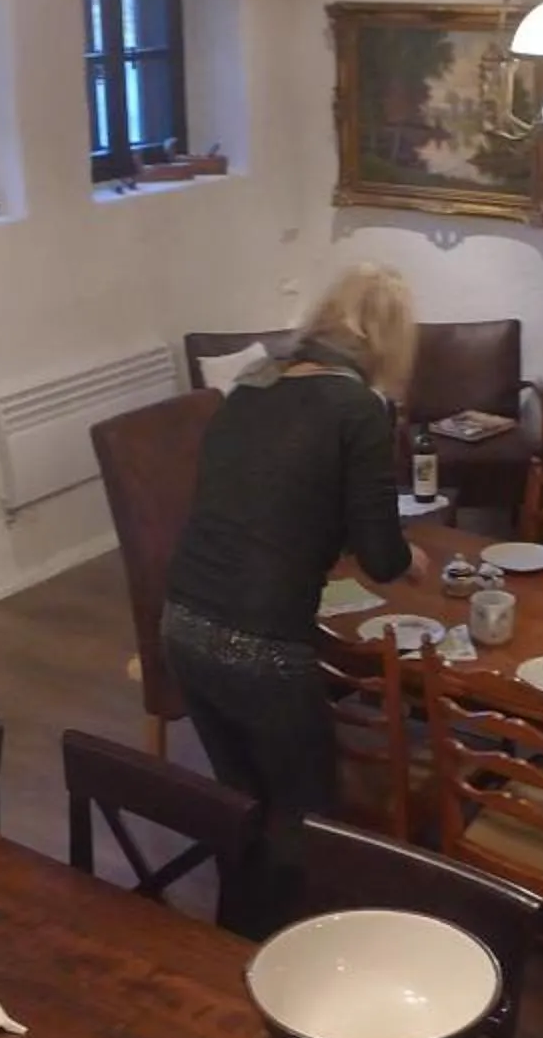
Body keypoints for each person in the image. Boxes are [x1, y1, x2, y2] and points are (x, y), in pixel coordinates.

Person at [162, 265, 417, 929]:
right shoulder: (359, 409)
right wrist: (415, 557)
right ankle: (298, 953)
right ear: (386, 343)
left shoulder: (251, 388)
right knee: (305, 812)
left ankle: (233, 938)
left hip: (183, 622)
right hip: (262, 643)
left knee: (240, 800)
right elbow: (382, 560)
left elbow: (258, 504)